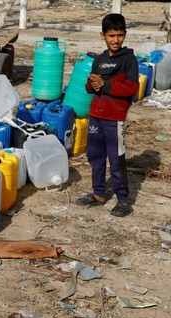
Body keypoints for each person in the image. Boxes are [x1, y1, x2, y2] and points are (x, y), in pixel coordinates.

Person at [76, 13, 138, 217]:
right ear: (102, 35)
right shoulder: (99, 60)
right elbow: (89, 87)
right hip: (95, 115)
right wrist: (92, 84)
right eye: (111, 35)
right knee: (95, 156)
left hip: (115, 118)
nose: (116, 40)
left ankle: (123, 200)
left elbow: (131, 88)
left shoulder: (129, 59)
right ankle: (99, 194)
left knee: (116, 159)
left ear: (125, 35)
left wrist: (106, 84)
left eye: (120, 35)